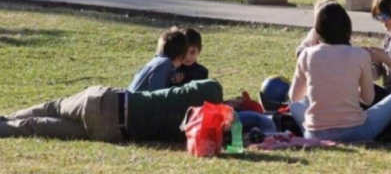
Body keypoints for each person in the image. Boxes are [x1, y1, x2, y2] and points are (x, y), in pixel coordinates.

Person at [289, 1, 391, 142]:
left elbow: (294, 98)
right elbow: (367, 99)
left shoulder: (307, 54)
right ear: (347, 27)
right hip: (357, 132)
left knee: (296, 106)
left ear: (317, 30)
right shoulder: (360, 55)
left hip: (316, 134)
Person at [0, 80, 223, 142]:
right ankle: (4, 127)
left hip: (106, 102)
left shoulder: (180, 96)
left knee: (53, 107)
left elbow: (210, 86)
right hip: (111, 131)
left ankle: (7, 118)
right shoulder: (184, 130)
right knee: (36, 127)